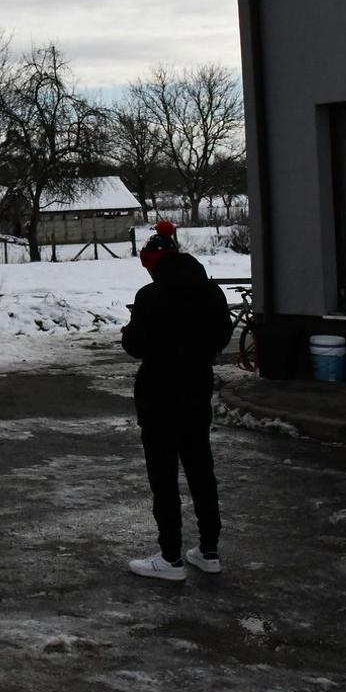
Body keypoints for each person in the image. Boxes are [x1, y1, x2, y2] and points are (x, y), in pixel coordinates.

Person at [121, 220, 234, 581]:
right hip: (197, 392)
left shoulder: (150, 296)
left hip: (158, 397)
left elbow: (134, 346)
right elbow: (222, 335)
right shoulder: (212, 293)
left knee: (164, 476)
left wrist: (131, 330)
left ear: (153, 262)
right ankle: (209, 550)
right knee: (202, 470)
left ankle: (170, 557)